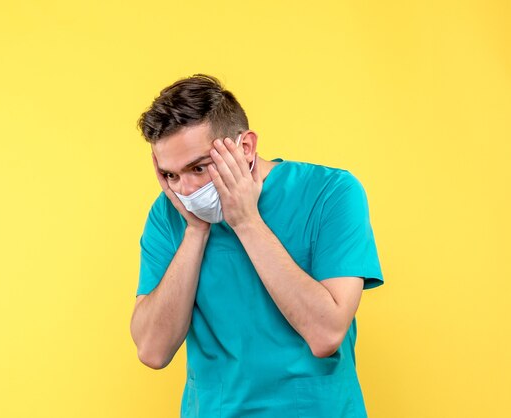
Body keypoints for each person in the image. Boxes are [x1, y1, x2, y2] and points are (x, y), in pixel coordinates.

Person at [130, 74, 384, 418]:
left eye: (199, 168)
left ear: (244, 147)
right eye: (171, 175)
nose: (185, 190)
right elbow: (152, 350)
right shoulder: (168, 216)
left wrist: (246, 221)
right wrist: (195, 232)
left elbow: (326, 333)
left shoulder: (331, 193)